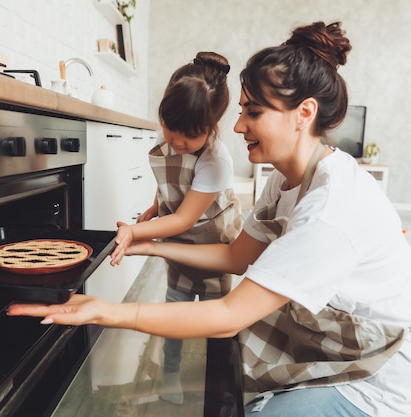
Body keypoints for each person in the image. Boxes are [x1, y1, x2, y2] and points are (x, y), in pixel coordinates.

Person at [8, 21, 411, 417]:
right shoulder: (284, 181)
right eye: (242, 109)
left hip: (396, 378)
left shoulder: (332, 209)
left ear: (304, 113)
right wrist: (151, 245)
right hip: (350, 348)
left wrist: (108, 312)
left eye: (253, 111)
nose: (239, 125)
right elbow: (235, 255)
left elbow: (228, 315)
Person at [109, 51, 244, 404]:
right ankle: (170, 377)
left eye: (191, 136)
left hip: (212, 245)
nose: (178, 142)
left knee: (216, 322)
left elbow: (185, 217)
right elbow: (171, 186)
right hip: (178, 243)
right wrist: (155, 207)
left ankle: (219, 384)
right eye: (172, 130)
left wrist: (136, 232)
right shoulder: (169, 142)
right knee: (174, 310)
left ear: (212, 126)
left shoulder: (216, 161)